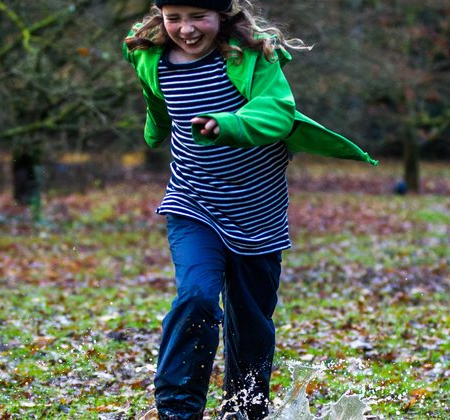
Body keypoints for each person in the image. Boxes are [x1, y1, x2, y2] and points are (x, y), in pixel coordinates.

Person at [123, 0, 377, 418]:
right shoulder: (151, 57)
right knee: (197, 297)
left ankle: (245, 409)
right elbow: (157, 98)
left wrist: (228, 124)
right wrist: (155, 129)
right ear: (160, 17)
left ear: (221, 15)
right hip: (193, 203)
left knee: (251, 320)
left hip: (257, 212)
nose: (185, 29)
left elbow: (277, 112)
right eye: (174, 18)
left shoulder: (250, 58)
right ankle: (177, 409)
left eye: (197, 17)